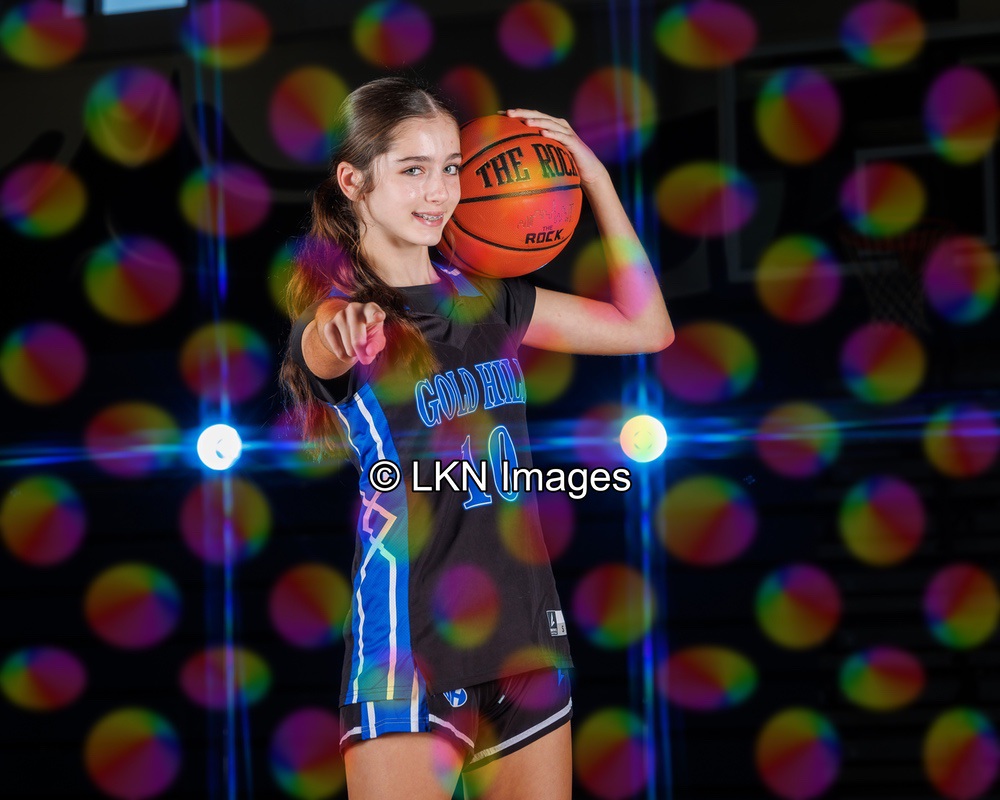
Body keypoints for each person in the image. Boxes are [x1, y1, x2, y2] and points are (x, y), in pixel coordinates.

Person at [280, 76, 672, 800]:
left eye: (452, 168)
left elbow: (647, 327)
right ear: (353, 181)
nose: (439, 192)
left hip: (526, 637)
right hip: (411, 649)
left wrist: (595, 180)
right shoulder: (339, 316)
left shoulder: (490, 298)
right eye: (413, 169)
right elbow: (323, 348)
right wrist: (343, 328)